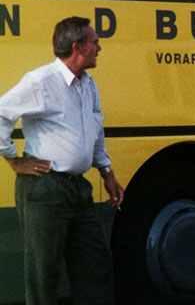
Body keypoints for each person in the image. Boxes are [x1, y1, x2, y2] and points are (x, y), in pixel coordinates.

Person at [0, 16, 124, 305]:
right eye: (95, 42)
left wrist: (107, 172)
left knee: (95, 266)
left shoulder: (88, 85)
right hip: (45, 188)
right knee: (44, 274)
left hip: (78, 189)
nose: (100, 48)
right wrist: (13, 160)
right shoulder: (41, 81)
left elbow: (95, 130)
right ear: (77, 47)